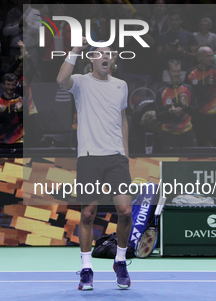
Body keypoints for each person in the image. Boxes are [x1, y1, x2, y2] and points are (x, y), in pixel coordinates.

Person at [56, 39, 132, 291]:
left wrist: (126, 154)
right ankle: (86, 269)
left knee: (125, 212)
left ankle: (120, 261)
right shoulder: (80, 82)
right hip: (89, 157)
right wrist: (75, 50)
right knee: (88, 214)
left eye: (108, 53)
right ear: (91, 58)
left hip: (116, 158)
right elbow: (60, 80)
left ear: (114, 59)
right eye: (99, 53)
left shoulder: (121, 86)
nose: (104, 57)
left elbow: (122, 120)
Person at [155, 60, 198, 149]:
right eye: (173, 71)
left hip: (187, 134)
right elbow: (158, 116)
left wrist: (186, 106)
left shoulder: (188, 89)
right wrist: (171, 112)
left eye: (178, 71)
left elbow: (196, 111)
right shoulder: (161, 92)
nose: (176, 74)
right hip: (169, 136)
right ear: (168, 72)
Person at [0, 73, 23, 147]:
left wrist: (20, 111)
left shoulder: (21, 100)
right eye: (8, 84)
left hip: (18, 142)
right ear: (3, 85)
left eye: (13, 85)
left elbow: (30, 121)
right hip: (0, 141)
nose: (11, 87)